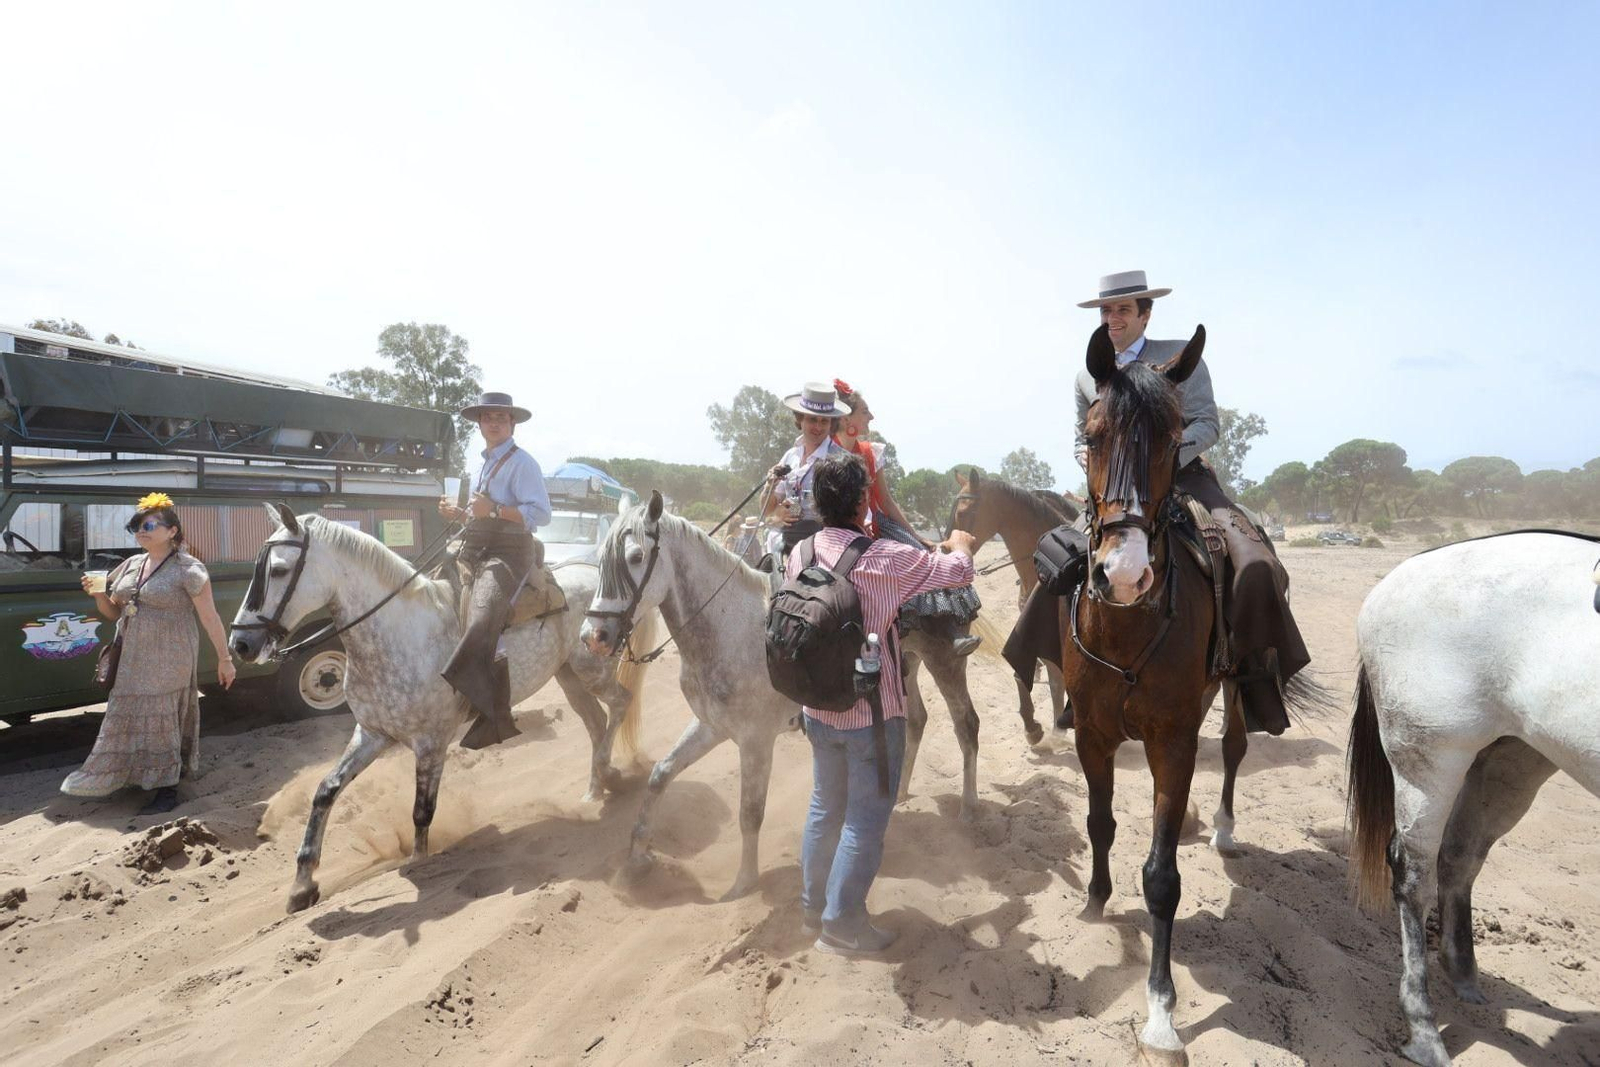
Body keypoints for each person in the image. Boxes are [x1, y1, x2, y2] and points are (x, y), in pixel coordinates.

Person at [1072, 270, 1310, 733]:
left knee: (1255, 563)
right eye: (1106, 310)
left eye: (1123, 309)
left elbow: (1207, 423)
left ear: (1146, 314)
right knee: (1055, 560)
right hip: (1113, 490)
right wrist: (1084, 454)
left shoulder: (1182, 357)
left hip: (1184, 475)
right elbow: (1080, 434)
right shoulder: (1087, 373)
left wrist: (1162, 459)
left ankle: (1252, 681)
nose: (1112, 318)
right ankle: (1074, 686)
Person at [793, 452, 978, 956]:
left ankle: (813, 908)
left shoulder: (801, 553)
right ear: (862, 503)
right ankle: (842, 924)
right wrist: (961, 544)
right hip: (871, 717)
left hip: (817, 711)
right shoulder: (885, 559)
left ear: (818, 503)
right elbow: (955, 573)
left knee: (823, 807)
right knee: (865, 820)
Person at [62, 492, 236, 814]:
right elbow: (114, 613)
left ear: (172, 531)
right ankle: (133, 775)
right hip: (132, 656)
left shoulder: (189, 569)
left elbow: (210, 617)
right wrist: (98, 596)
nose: (141, 531)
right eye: (137, 526)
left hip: (170, 657)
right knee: (125, 712)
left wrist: (224, 659)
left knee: (160, 718)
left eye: (149, 525)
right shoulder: (131, 564)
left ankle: (167, 789)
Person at [830, 378, 981, 656]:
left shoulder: (870, 452)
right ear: (845, 418)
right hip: (838, 527)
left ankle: (947, 629)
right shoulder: (826, 452)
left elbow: (886, 501)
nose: (871, 417)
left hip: (874, 524)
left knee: (922, 556)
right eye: (865, 411)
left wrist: (915, 536)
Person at [438, 391, 552, 749]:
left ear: (512, 423)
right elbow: (479, 513)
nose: (494, 422)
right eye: (487, 417)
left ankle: (493, 713)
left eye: (501, 417)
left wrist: (495, 510)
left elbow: (541, 515)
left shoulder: (523, 463)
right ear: (479, 424)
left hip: (509, 551)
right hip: (475, 546)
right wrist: (459, 514)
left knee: (482, 616)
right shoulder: (480, 465)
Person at [763, 381, 849, 556]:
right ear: (800, 419)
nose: (818, 427)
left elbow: (850, 514)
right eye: (812, 419)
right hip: (787, 543)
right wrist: (776, 509)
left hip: (824, 547)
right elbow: (768, 511)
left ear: (831, 423)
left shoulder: (841, 460)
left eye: (824, 421)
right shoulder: (790, 456)